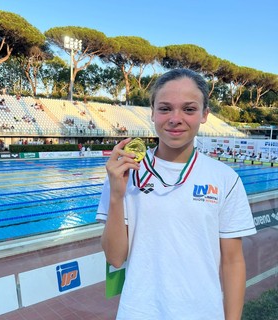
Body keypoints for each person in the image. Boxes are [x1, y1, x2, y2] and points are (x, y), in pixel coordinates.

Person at [97, 68, 256, 320]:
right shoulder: (124, 173)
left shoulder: (225, 179)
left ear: (205, 115)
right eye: (165, 108)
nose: (175, 118)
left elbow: (233, 262)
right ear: (151, 113)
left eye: (189, 109)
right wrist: (117, 195)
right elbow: (115, 259)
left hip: (204, 313)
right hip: (139, 312)